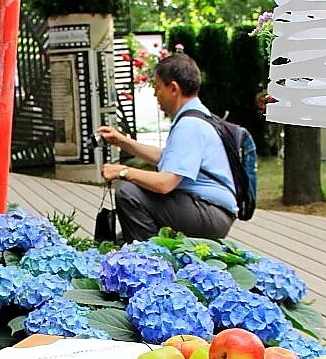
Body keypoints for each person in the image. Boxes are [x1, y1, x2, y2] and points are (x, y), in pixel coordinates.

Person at [98, 53, 236, 242]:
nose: (156, 95)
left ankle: (149, 260)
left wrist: (123, 171)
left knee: (128, 193)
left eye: (157, 88)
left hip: (209, 212)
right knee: (124, 237)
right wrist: (122, 141)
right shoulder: (197, 116)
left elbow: (165, 184)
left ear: (173, 88)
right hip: (211, 210)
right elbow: (166, 157)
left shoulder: (189, 126)